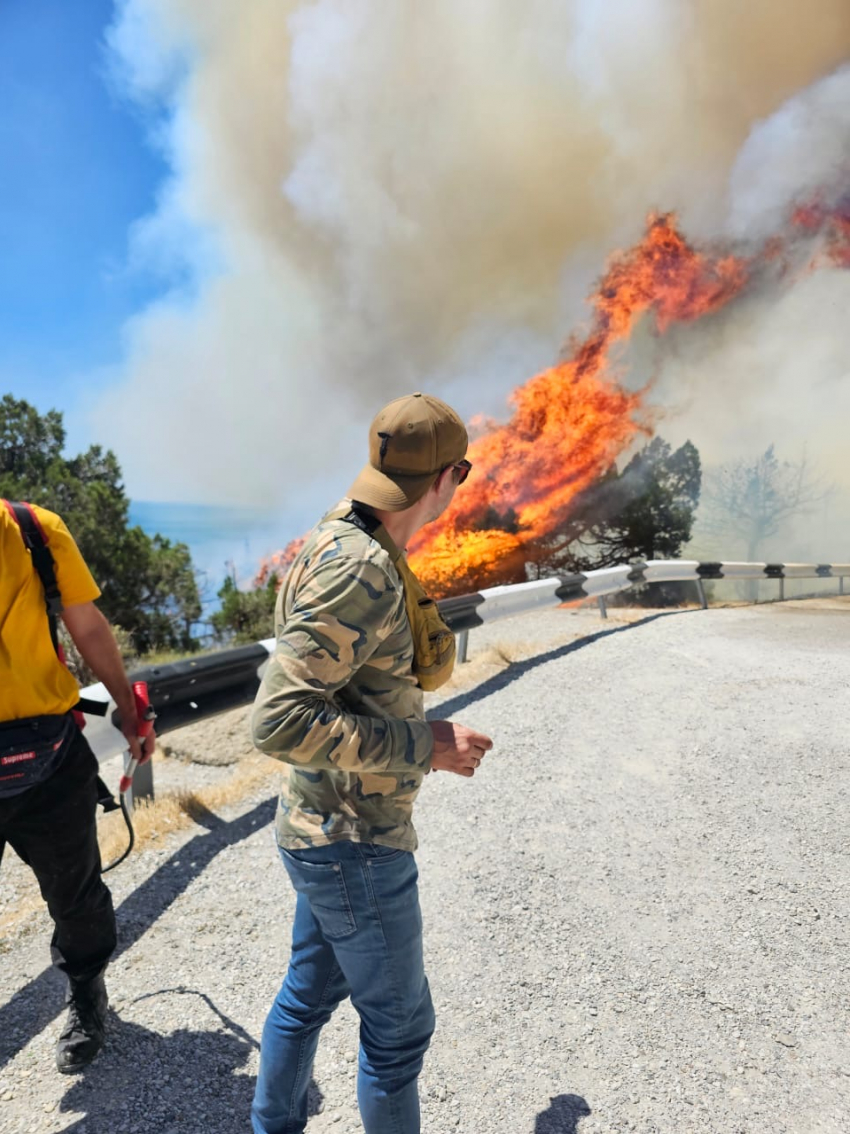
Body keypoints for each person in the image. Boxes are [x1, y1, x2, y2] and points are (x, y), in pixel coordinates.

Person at [251, 392, 493, 1134]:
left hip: (324, 828)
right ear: (449, 475)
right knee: (398, 1035)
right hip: (353, 843)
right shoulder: (359, 568)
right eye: (465, 470)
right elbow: (279, 719)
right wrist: (427, 746)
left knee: (307, 994)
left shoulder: (345, 534)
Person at [0, 501, 156, 1073]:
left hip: (52, 759)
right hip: (45, 753)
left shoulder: (36, 531)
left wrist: (128, 708)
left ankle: (88, 995)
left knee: (78, 898)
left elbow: (85, 623)